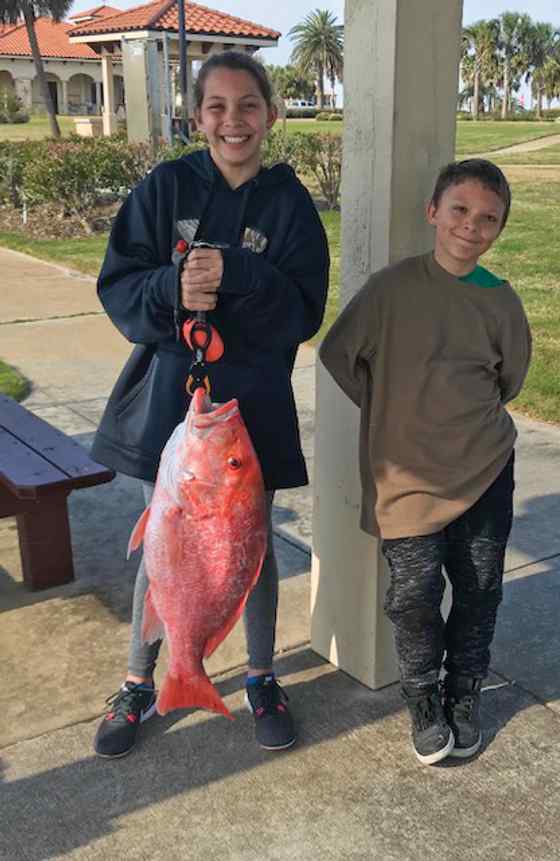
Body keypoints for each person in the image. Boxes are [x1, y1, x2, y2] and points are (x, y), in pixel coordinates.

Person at [91, 51, 329, 759]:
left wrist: (241, 273)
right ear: (196, 117)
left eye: (248, 105)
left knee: (251, 553)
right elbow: (118, 284)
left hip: (250, 406)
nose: (234, 121)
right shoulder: (166, 187)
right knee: (163, 548)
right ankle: (142, 679)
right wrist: (171, 290)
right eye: (218, 107)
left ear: (271, 115)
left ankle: (261, 675)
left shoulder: (289, 205)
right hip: (169, 400)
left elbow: (303, 310)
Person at [319, 159, 531, 765]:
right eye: (460, 210)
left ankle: (463, 693)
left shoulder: (500, 301)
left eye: (489, 219)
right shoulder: (391, 290)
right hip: (405, 475)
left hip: (485, 467)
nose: (472, 226)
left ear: (499, 229)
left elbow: (509, 379)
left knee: (480, 586)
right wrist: (396, 411)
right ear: (433, 212)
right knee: (411, 596)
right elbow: (340, 355)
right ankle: (422, 699)